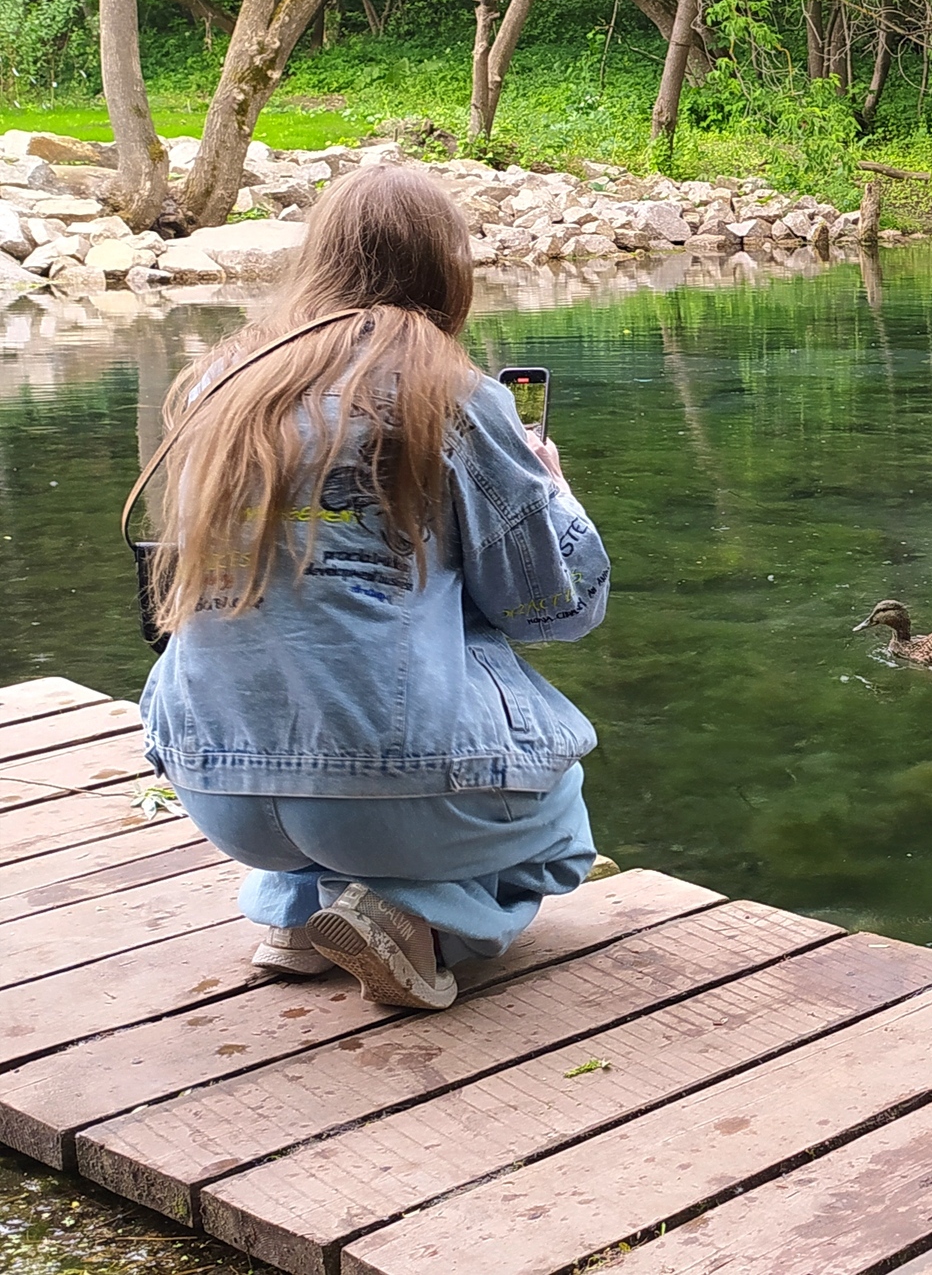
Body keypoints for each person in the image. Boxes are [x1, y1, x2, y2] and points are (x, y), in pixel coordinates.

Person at [138, 165, 610, 1011]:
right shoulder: (455, 396)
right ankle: (417, 918)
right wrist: (551, 491)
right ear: (446, 272)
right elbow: (552, 608)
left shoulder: (219, 384)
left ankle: (291, 912)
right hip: (380, 793)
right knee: (562, 812)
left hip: (216, 787)